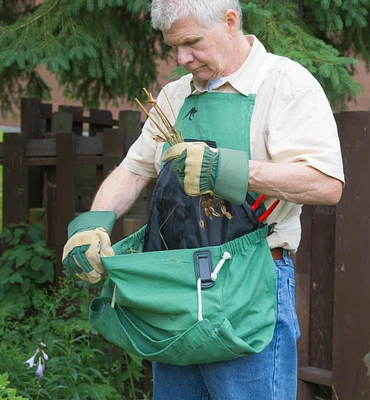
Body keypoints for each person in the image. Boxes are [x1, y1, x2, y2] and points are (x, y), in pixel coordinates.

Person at [62, 0, 344, 398]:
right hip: (177, 288)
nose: (181, 58)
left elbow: (327, 183)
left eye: (192, 42)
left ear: (230, 22)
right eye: (174, 46)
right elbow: (134, 169)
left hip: (250, 288)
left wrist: (226, 170)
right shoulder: (176, 95)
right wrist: (93, 222)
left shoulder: (284, 84)